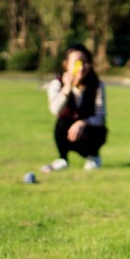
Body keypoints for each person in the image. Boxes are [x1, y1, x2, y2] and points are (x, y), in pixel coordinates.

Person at [42, 43, 108, 173]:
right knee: (61, 123)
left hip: (89, 131)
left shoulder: (96, 85)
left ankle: (93, 157)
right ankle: (62, 159)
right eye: (77, 63)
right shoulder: (57, 83)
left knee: (95, 130)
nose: (81, 67)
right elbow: (55, 110)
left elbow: (101, 117)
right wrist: (67, 88)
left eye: (85, 62)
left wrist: (82, 123)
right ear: (66, 65)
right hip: (66, 130)